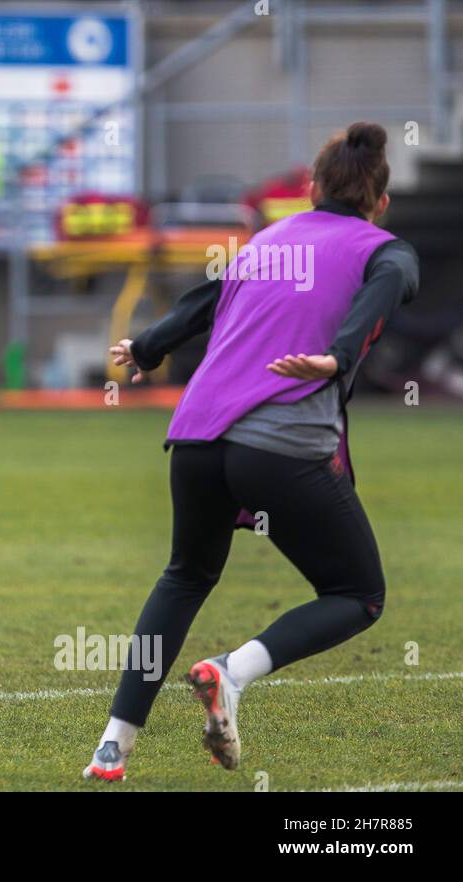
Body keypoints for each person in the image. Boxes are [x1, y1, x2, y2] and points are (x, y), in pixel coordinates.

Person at [83, 122, 419, 780]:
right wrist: (339, 356)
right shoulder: (387, 249)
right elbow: (390, 283)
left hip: (197, 438)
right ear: (380, 203)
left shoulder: (268, 240)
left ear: (311, 190)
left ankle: (113, 744)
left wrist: (148, 346)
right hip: (279, 442)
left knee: (185, 575)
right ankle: (231, 674)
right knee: (358, 595)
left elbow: (207, 299)